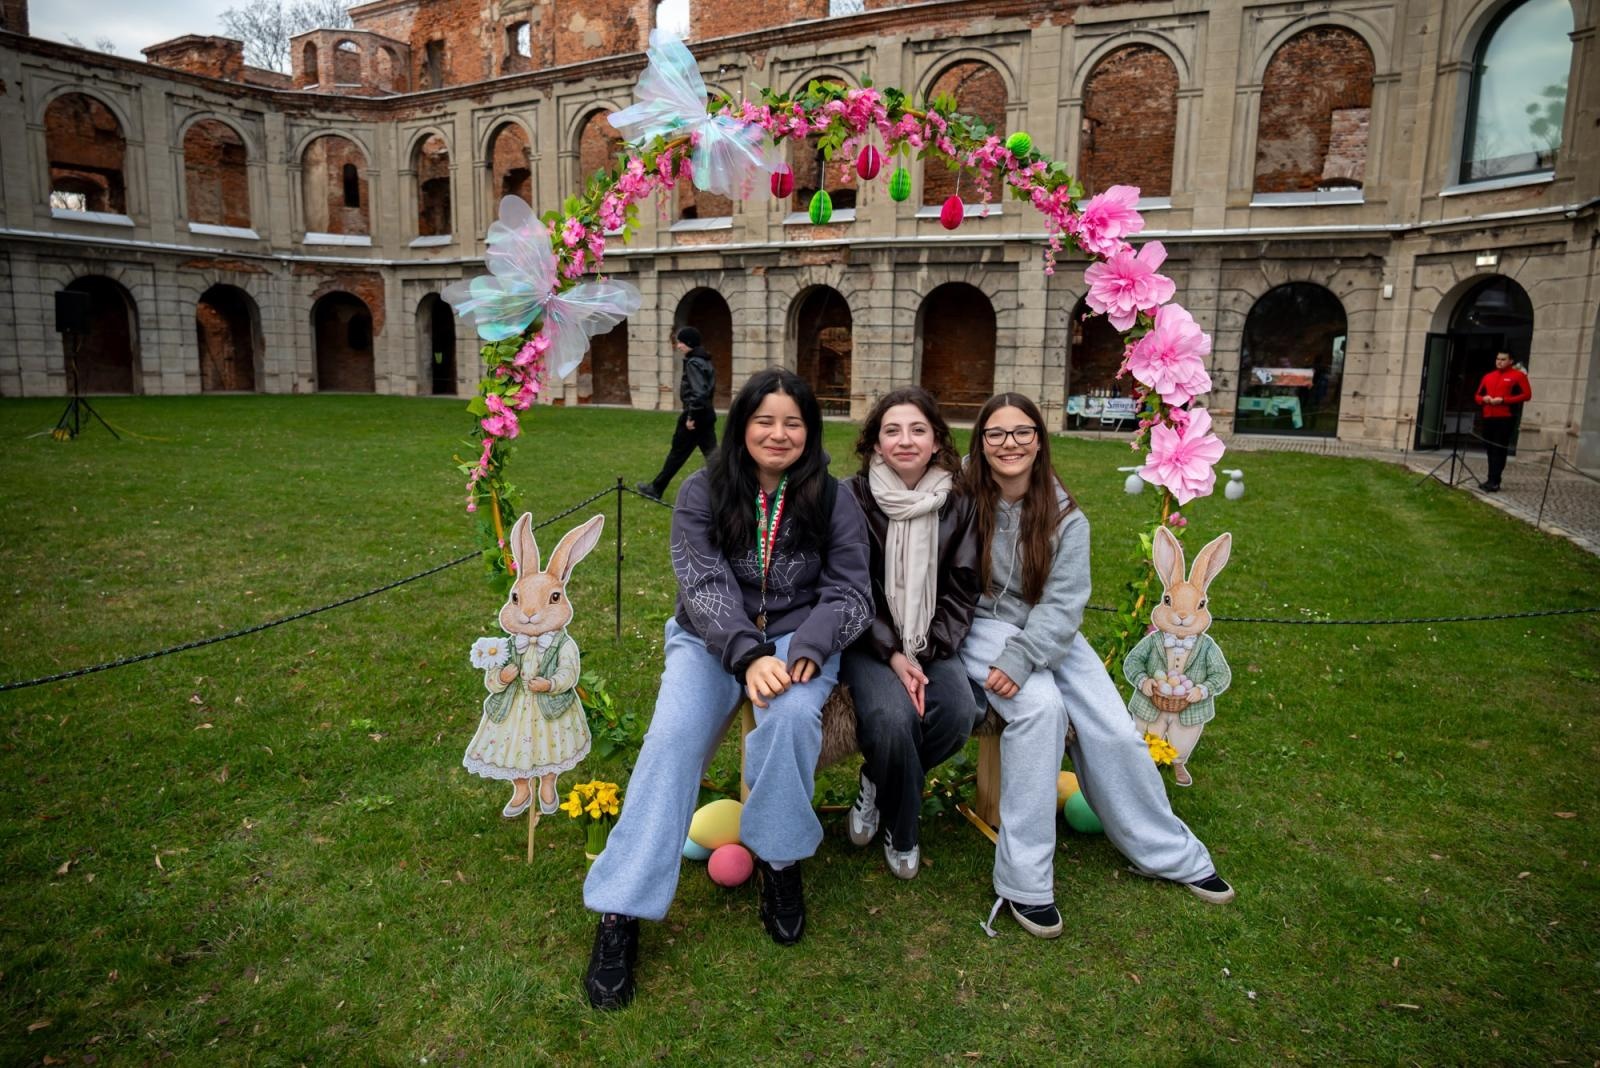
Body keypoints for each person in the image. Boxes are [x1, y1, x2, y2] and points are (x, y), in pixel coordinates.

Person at [583, 368, 873, 1009]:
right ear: (742, 425)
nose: (778, 433)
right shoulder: (702, 489)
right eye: (764, 420)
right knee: (673, 739)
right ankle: (620, 910)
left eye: (792, 422)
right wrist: (745, 655)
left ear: (810, 430)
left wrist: (809, 646)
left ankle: (778, 861)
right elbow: (702, 583)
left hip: (800, 645)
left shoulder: (834, 496)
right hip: (712, 643)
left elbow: (853, 591)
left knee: (795, 721)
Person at [959, 392, 1235, 940]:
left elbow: (1062, 605)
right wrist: (1012, 658)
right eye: (995, 434)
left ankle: (1165, 851)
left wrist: (1027, 653)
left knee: (1113, 727)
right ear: (981, 443)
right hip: (975, 624)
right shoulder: (959, 495)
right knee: (1041, 711)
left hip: (1045, 628)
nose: (1009, 444)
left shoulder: (1065, 515)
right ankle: (1025, 882)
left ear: (1039, 440)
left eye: (1022, 432)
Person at [839, 388, 984, 880]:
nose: (905, 440)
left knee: (960, 711)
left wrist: (926, 651)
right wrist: (894, 654)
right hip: (868, 639)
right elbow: (851, 585)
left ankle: (876, 781)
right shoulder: (852, 497)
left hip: (931, 638)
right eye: (892, 430)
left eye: (917, 429)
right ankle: (904, 831)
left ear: (936, 440)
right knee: (891, 717)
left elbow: (964, 586)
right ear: (876, 444)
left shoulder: (959, 502)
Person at [637, 327, 717, 501]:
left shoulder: (694, 362)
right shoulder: (704, 360)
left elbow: (699, 393)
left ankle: (655, 489)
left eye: (681, 342)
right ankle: (730, 488)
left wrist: (691, 417)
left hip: (695, 417)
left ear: (689, 343)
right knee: (713, 457)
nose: (678, 345)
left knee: (678, 454)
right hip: (706, 415)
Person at [1474, 351, 1532, 492]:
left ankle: (1495, 481)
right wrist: (1484, 399)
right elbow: (1477, 395)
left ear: (1510, 361)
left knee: (1499, 449)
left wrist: (1504, 400)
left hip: (1505, 417)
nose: (1499, 362)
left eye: (1503, 359)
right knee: (1489, 448)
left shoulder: (1518, 376)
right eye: (1498, 359)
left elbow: (1527, 395)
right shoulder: (1488, 376)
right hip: (1488, 416)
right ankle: (1490, 479)